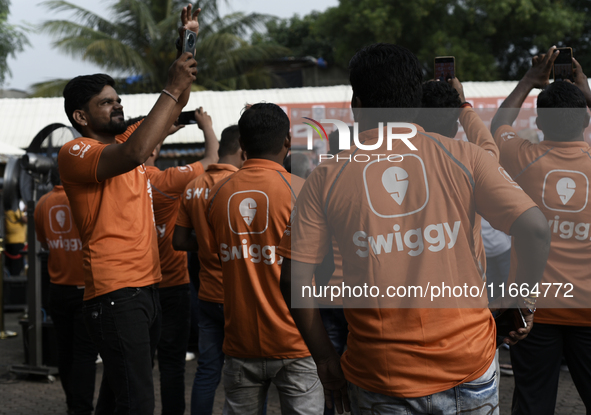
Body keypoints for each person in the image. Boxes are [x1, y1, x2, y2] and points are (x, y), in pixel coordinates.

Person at [278, 43, 551, 414]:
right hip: (468, 365)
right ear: (415, 101)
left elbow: (294, 278)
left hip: (378, 375)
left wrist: (325, 359)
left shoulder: (323, 178)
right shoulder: (465, 157)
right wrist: (524, 300)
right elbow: (534, 228)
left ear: (357, 104)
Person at [57, 6, 199, 414]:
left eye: (118, 100)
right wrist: (170, 87)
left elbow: (176, 101)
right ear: (81, 116)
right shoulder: (77, 151)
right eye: (106, 103)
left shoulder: (124, 139)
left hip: (146, 289)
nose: (117, 106)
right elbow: (138, 151)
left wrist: (187, 45)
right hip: (116, 295)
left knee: (119, 397)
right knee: (138, 402)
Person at [490, 45, 591, 415]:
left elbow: (498, 125)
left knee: (532, 402)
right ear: (585, 121)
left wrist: (529, 80)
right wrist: (585, 88)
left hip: (532, 312)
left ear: (540, 124)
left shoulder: (523, 159)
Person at [205, 103, 324, 414]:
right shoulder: (303, 191)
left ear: (242, 145)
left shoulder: (217, 196)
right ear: (287, 141)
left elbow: (215, 255)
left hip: (239, 342)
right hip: (297, 341)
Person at [141, 107, 219, 415]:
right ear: (155, 148)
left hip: (136, 284)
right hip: (171, 284)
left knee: (138, 363)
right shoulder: (165, 181)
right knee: (172, 362)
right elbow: (213, 159)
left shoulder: (121, 180)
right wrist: (206, 126)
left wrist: (156, 133)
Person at [173, 124, 245, 415]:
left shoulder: (193, 186)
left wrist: (205, 246)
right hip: (239, 295)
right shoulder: (240, 186)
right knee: (246, 374)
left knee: (207, 370)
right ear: (243, 148)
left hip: (207, 294)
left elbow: (178, 241)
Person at [34, 167, 98, 415]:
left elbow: (43, 242)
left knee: (65, 351)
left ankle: (73, 404)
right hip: (84, 289)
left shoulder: (42, 204)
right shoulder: (82, 198)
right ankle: (81, 409)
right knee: (84, 354)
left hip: (56, 288)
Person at [4, 200, 27, 276]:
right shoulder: (15, 209)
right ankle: (14, 285)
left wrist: (24, 210)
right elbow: (24, 219)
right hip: (17, 242)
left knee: (12, 267)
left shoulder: (7, 209)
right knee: (16, 268)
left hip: (9, 241)